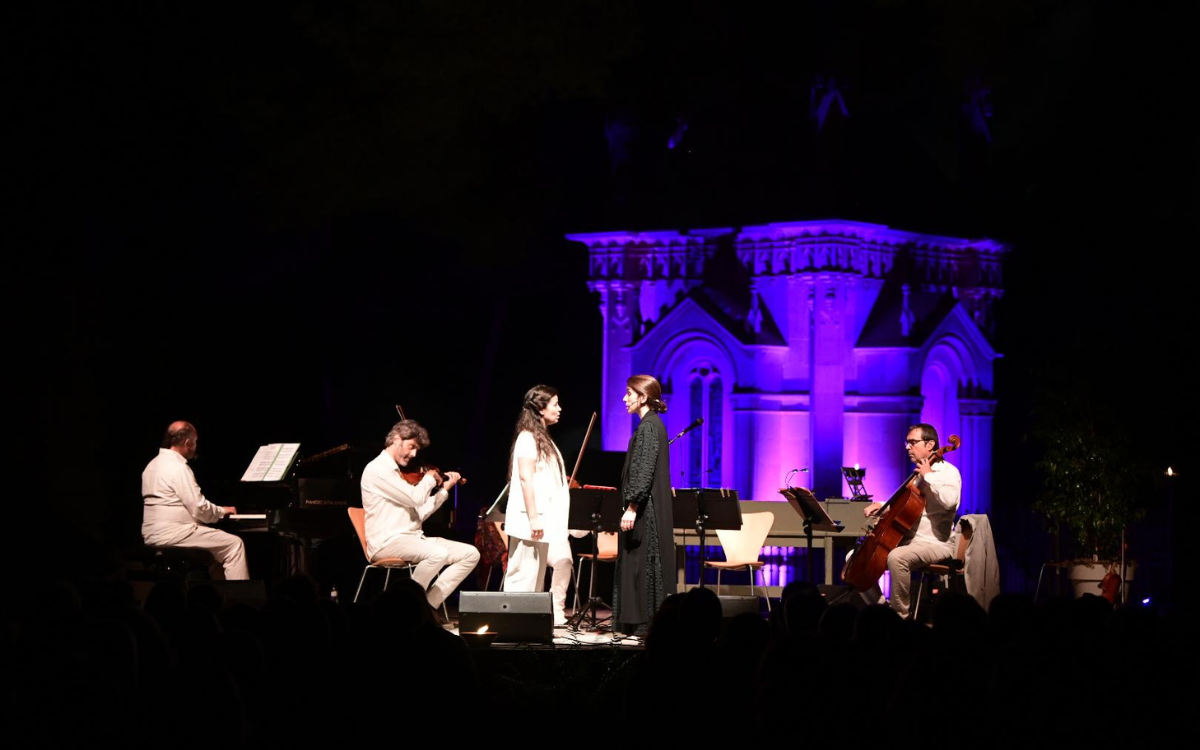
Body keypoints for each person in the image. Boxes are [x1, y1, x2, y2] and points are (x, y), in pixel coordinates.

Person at [360, 419, 479, 619]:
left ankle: (427, 606)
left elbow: (420, 513)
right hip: (387, 541)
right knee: (437, 553)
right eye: (411, 447)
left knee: (470, 554)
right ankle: (405, 608)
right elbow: (414, 497)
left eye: (417, 449)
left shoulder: (398, 474)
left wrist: (443, 491)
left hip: (412, 538)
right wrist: (430, 478)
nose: (414, 454)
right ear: (396, 439)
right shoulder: (377, 470)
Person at [861, 422, 961, 619]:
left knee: (897, 557)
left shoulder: (948, 472)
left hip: (936, 543)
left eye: (912, 442)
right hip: (910, 540)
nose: (907, 447)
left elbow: (950, 502)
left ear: (930, 444)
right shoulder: (918, 474)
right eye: (906, 442)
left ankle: (901, 617)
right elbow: (907, 505)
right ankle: (882, 610)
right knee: (856, 558)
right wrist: (882, 505)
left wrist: (929, 476)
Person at [502, 385, 574, 627]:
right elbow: (525, 478)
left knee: (535, 578)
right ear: (541, 409)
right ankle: (512, 626)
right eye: (555, 403)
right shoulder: (527, 437)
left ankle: (527, 629)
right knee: (523, 575)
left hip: (543, 521)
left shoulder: (544, 439)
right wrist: (533, 517)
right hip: (530, 520)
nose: (559, 408)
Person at [141, 420, 249, 580]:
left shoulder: (151, 465)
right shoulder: (178, 468)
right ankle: (241, 599)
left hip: (151, 534)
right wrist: (221, 511)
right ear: (187, 443)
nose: (196, 446)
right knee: (234, 544)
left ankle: (217, 597)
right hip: (175, 533)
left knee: (214, 556)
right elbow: (199, 508)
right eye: (195, 442)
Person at [613, 374, 676, 637]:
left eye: (629, 393)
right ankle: (640, 623)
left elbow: (644, 470)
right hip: (646, 507)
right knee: (642, 564)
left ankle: (643, 624)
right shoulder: (651, 425)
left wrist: (632, 506)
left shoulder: (649, 427)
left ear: (643, 396)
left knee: (643, 564)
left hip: (645, 512)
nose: (625, 398)